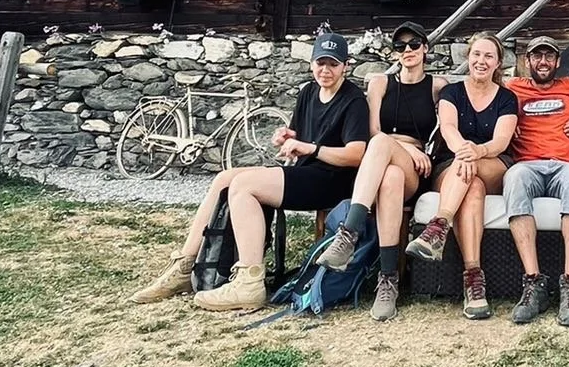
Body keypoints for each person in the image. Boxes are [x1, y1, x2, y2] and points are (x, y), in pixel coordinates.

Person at [132, 31, 369, 313]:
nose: (325, 70)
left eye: (332, 63)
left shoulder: (353, 100)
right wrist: (288, 135)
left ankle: (249, 281)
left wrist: (310, 148)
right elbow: (303, 133)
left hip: (332, 181)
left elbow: (357, 154)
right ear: (311, 63)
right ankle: (185, 265)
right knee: (225, 178)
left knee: (244, 186)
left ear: (346, 65)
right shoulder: (308, 92)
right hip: (305, 173)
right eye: (320, 62)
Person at [314, 20, 444, 322]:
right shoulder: (380, 83)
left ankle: (349, 233)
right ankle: (388, 280)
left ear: (425, 48)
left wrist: (412, 150)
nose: (407, 50)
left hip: (417, 165)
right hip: (383, 161)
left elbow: (445, 129)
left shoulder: (438, 86)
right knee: (390, 177)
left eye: (414, 44)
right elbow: (372, 131)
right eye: (400, 46)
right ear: (394, 52)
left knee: (393, 161)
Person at [405, 32, 518, 320]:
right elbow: (449, 129)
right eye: (477, 54)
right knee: (473, 186)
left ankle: (438, 226)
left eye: (488, 56)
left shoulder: (506, 98)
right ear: (468, 58)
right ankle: (473, 278)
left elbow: (501, 141)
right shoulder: (451, 93)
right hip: (453, 164)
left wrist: (475, 152)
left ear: (497, 64)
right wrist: (462, 152)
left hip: (493, 162)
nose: (481, 61)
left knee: (474, 173)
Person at [501, 32, 569, 330]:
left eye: (549, 56)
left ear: (558, 62)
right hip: (527, 164)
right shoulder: (511, 87)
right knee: (513, 178)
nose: (543, 61)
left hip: (565, 165)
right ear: (527, 61)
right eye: (537, 56)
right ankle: (533, 283)